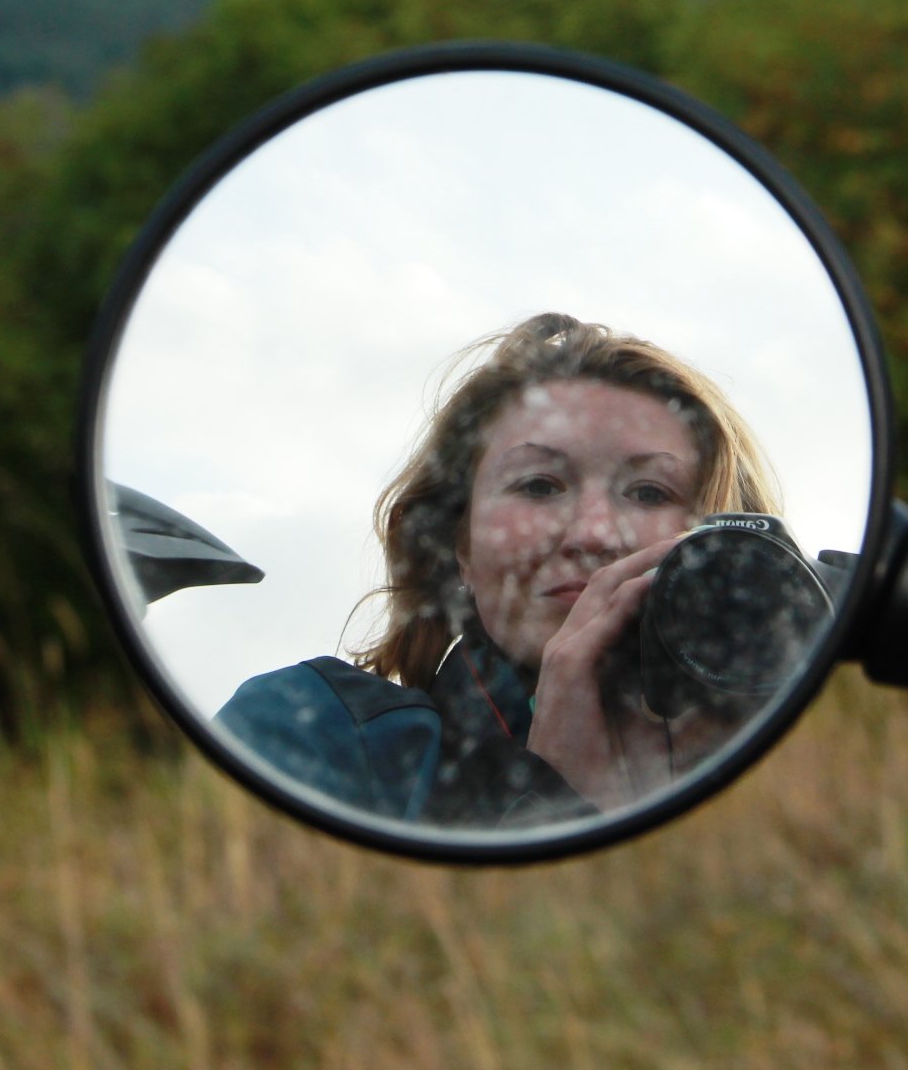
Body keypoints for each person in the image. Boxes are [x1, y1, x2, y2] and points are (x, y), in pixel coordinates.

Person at [214, 312, 783, 825]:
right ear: (459, 546)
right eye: (539, 485)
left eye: (650, 492)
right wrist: (554, 797)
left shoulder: (790, 763)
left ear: (732, 545)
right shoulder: (319, 736)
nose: (592, 533)